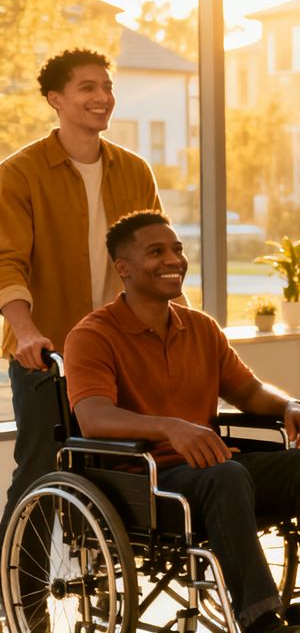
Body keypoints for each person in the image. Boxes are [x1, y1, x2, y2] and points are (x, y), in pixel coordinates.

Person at [63, 211, 300, 633]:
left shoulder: (201, 328)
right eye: (156, 252)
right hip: (146, 483)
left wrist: (289, 404)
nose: (174, 260)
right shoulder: (93, 336)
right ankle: (261, 622)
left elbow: (249, 391)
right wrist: (171, 427)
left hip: (214, 468)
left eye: (177, 250)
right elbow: (93, 419)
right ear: (122, 267)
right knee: (227, 474)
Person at [0, 49, 164, 533]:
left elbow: (158, 258)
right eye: (87, 88)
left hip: (121, 350)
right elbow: (7, 260)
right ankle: (22, 604)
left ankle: (105, 583)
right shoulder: (19, 173)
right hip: (46, 354)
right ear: (56, 99)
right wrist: (25, 331)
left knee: (128, 471)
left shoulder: (134, 171)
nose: (103, 98)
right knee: (40, 473)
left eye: (107, 87)